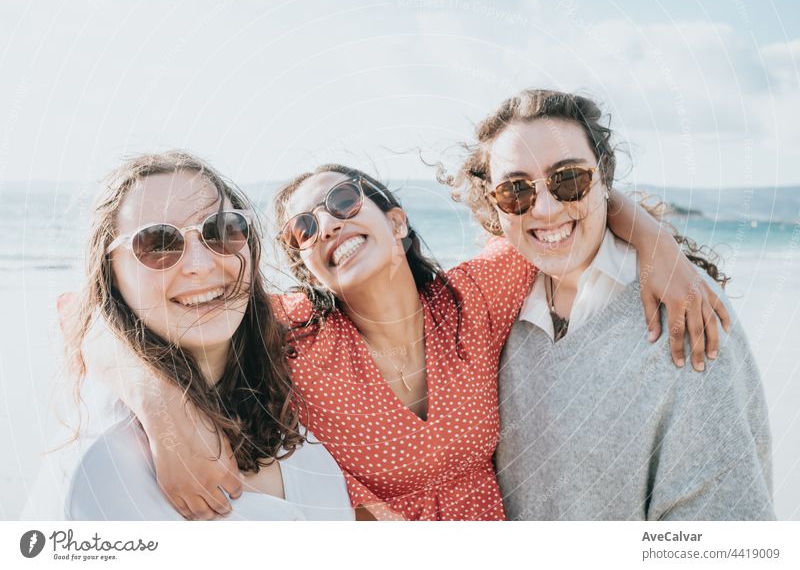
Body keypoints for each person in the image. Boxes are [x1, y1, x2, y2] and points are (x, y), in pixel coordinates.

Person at [76, 157, 727, 521]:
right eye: (303, 226)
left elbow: (563, 205)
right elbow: (103, 319)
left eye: (342, 201)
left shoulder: (473, 299)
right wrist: (164, 416)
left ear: (395, 220)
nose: (325, 223)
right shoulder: (293, 331)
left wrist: (657, 244)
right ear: (305, 265)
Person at [443, 88, 774, 520]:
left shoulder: (685, 312)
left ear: (604, 178)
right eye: (516, 191)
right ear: (495, 207)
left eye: (569, 179)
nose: (544, 208)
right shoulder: (489, 314)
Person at [22, 152, 353, 521]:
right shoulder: (104, 470)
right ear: (111, 275)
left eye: (221, 229)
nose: (201, 264)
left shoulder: (303, 417)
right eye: (158, 243)